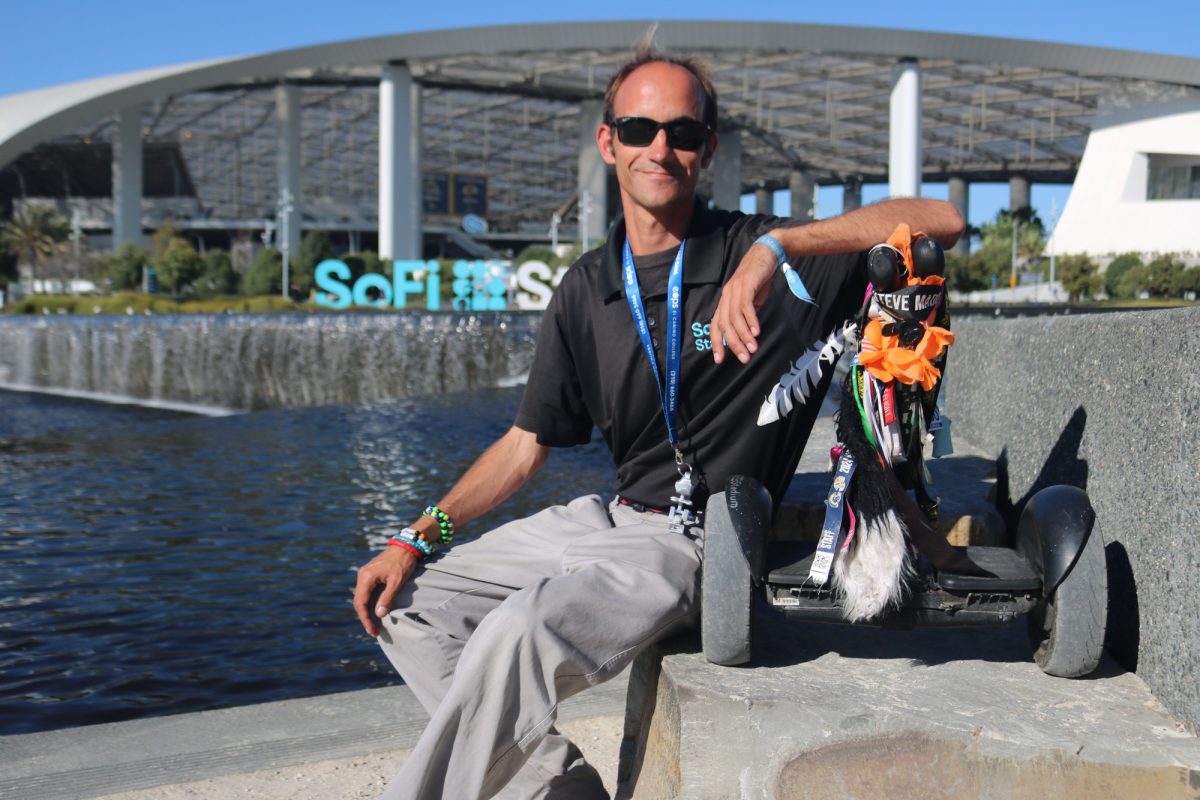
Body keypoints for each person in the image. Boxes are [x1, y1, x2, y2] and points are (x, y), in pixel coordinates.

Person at [352, 40, 963, 800]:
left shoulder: (760, 260)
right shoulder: (586, 287)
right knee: (406, 605)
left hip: (701, 538)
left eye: (681, 132)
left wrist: (777, 248)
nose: (660, 148)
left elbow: (941, 219)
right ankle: (557, 786)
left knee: (519, 634)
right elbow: (522, 446)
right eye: (639, 130)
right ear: (609, 142)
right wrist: (418, 535)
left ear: (706, 149)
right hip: (608, 520)